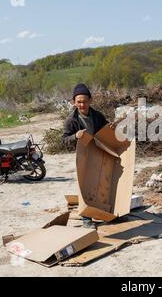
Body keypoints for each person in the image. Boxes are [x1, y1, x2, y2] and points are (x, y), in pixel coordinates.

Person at [62, 83, 109, 229]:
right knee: (84, 188)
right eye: (79, 102)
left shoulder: (97, 115)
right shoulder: (71, 120)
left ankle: (102, 213)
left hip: (98, 155)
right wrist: (75, 135)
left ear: (90, 100)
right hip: (82, 158)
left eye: (85, 101)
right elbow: (63, 140)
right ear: (74, 102)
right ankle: (87, 219)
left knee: (101, 185)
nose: (82, 104)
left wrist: (111, 128)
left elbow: (105, 129)